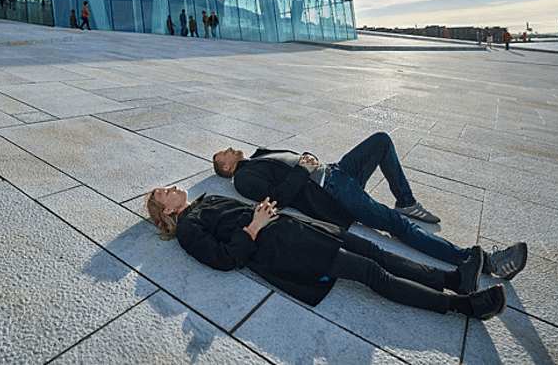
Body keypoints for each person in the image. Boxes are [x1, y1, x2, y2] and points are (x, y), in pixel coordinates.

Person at [146, 187, 507, 320]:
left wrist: (261, 211)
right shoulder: (189, 229)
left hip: (300, 230)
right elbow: (225, 259)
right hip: (287, 250)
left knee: (376, 252)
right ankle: (463, 307)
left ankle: (454, 279)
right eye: (165, 193)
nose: (173, 188)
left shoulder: (205, 200)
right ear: (167, 213)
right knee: (371, 273)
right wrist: (254, 226)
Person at [213, 132, 528, 281]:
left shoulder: (258, 154)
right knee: (397, 226)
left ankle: (406, 201)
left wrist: (307, 159)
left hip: (337, 171)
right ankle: (484, 262)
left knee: (381, 140)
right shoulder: (243, 179)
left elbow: (296, 158)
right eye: (222, 155)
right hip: (332, 192)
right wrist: (304, 170)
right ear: (227, 168)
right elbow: (277, 198)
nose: (227, 149)